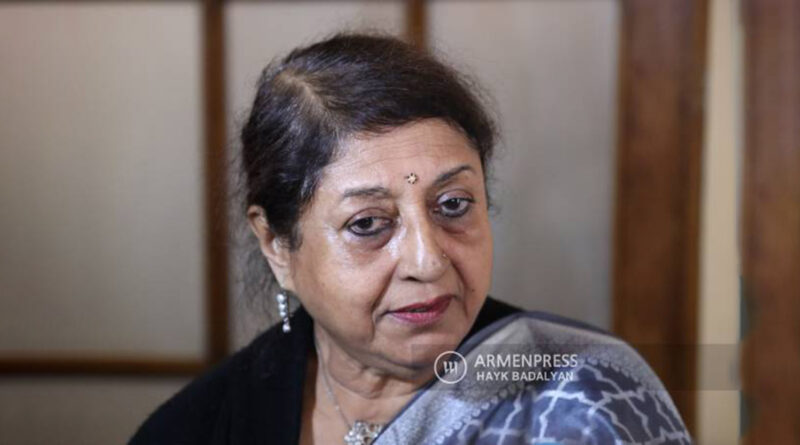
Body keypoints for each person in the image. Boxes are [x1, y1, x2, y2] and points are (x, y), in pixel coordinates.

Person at [130, 33, 691, 445]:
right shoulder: (198, 428)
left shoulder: (584, 399)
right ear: (277, 245)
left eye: (453, 205)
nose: (427, 260)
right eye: (367, 224)